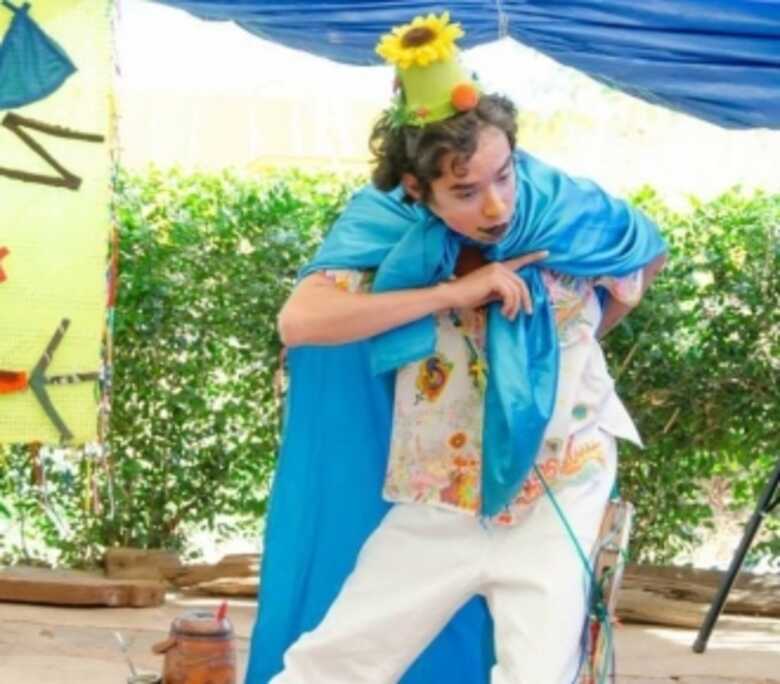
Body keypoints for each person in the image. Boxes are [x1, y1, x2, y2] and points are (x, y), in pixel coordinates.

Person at [245, 12, 667, 684]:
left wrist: (568, 344)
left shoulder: (562, 211)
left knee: (540, 675)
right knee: (336, 661)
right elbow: (301, 321)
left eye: (504, 174)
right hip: (441, 489)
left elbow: (643, 254)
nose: (496, 206)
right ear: (419, 190)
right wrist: (451, 294)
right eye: (465, 191)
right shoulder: (386, 226)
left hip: (561, 481)